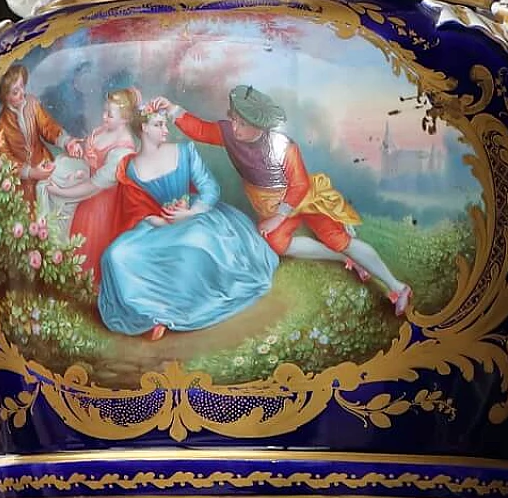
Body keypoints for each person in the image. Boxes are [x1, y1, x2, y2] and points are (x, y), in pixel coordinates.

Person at [169, 83, 412, 315]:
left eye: (242, 123)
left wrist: (279, 217)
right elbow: (200, 130)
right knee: (276, 244)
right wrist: (172, 110)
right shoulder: (228, 134)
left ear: (259, 126)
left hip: (303, 198)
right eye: (233, 119)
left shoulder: (284, 146)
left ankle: (397, 286)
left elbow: (299, 185)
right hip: (268, 203)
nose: (235, 127)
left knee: (338, 239)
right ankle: (344, 258)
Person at [95, 100, 276, 340]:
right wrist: (159, 220)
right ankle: (150, 314)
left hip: (194, 216)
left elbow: (209, 188)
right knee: (116, 254)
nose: (166, 130)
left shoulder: (184, 151)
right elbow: (135, 208)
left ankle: (177, 311)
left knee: (195, 241)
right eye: (159, 125)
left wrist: (191, 212)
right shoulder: (131, 168)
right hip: (156, 225)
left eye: (165, 124)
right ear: (144, 129)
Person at [45, 87, 143, 278]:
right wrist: (77, 152)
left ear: (125, 119)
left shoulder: (123, 150)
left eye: (110, 114)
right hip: (84, 192)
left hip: (100, 209)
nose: (104, 116)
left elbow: (94, 186)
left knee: (87, 253)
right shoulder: (103, 130)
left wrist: (60, 191)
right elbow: (88, 155)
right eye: (104, 111)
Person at [0, 62, 69, 208]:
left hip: (44, 165)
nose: (22, 93)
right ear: (6, 97)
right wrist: (31, 172)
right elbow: (4, 159)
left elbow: (47, 126)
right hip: (23, 182)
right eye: (15, 92)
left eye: (22, 86)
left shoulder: (32, 104)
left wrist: (66, 141)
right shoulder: (2, 126)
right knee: (33, 216)